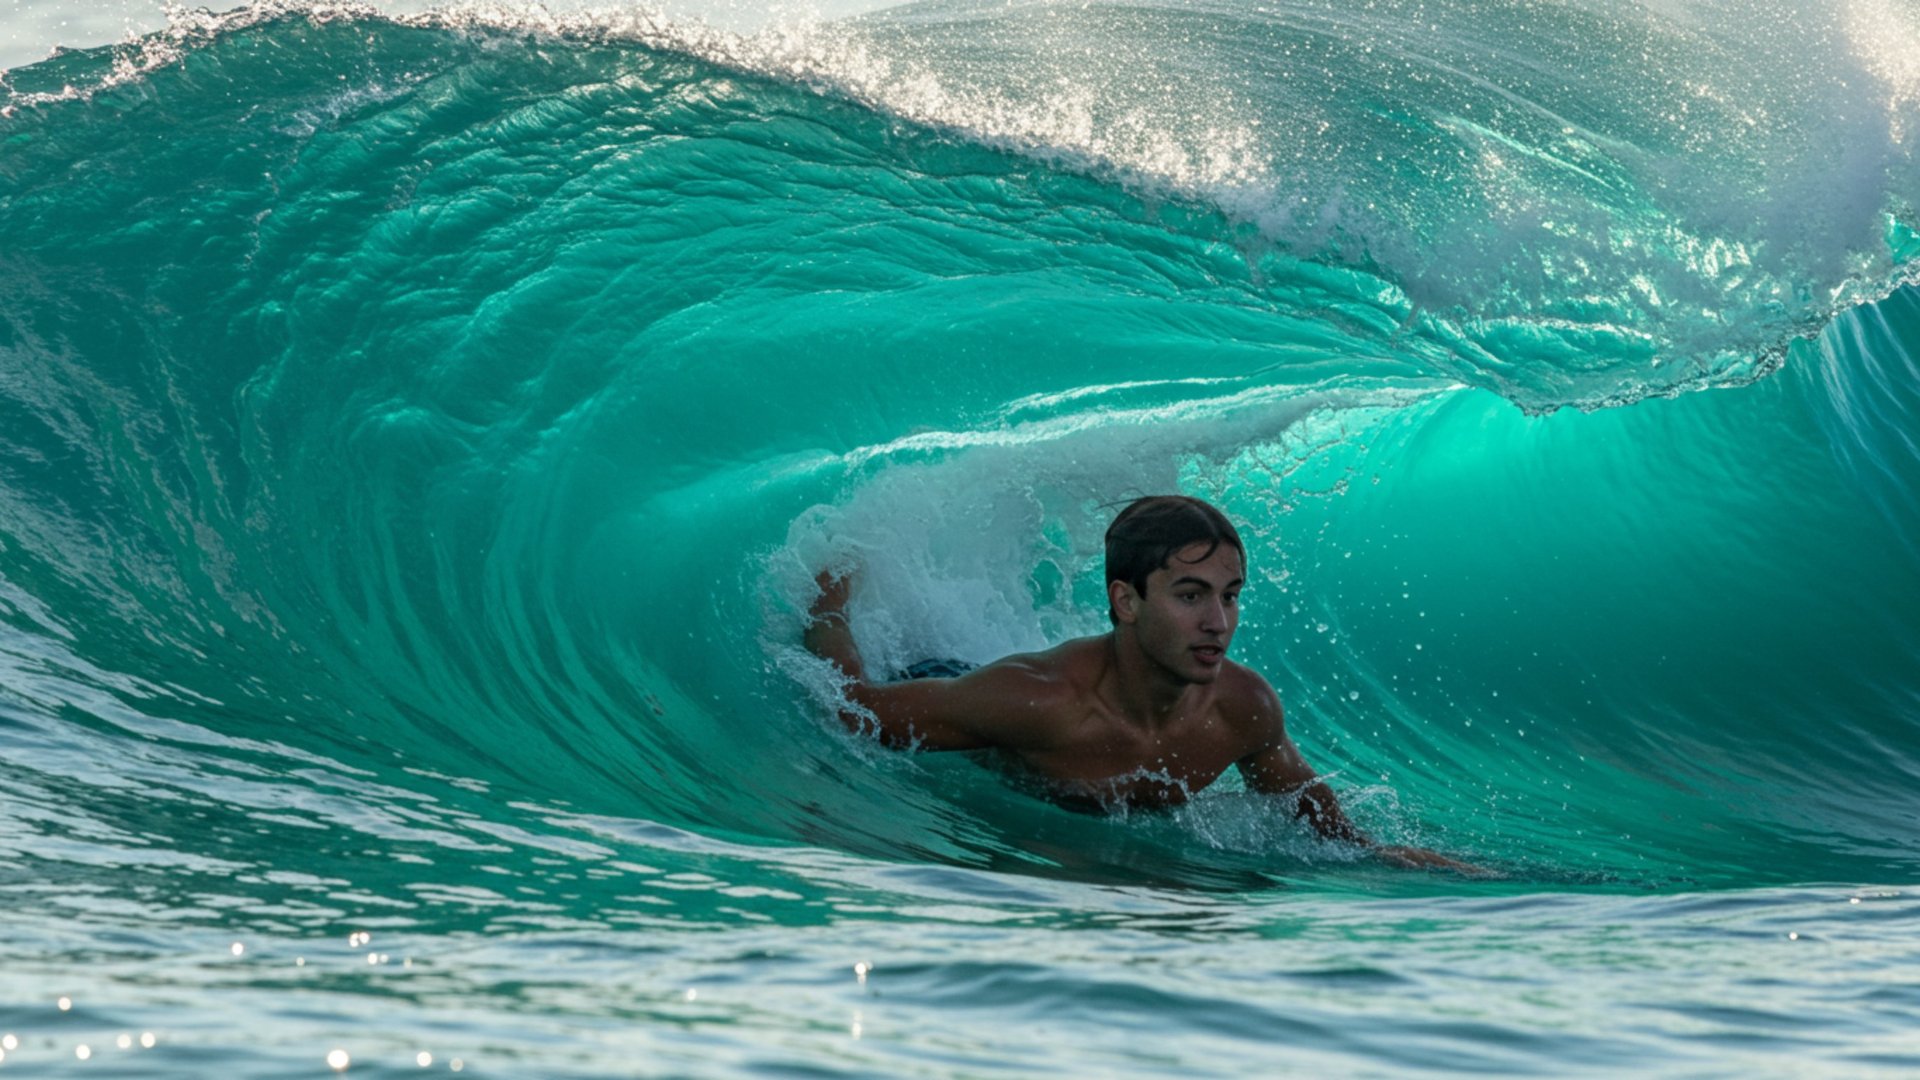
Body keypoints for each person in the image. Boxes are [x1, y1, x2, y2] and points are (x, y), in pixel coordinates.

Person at [804, 494, 1472, 871]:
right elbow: (853, 709)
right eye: (1190, 596)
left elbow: (1317, 823)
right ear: (1127, 601)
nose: (1218, 622)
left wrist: (1388, 858)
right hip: (944, 684)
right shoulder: (1040, 704)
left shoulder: (1244, 710)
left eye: (1231, 596)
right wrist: (829, 611)